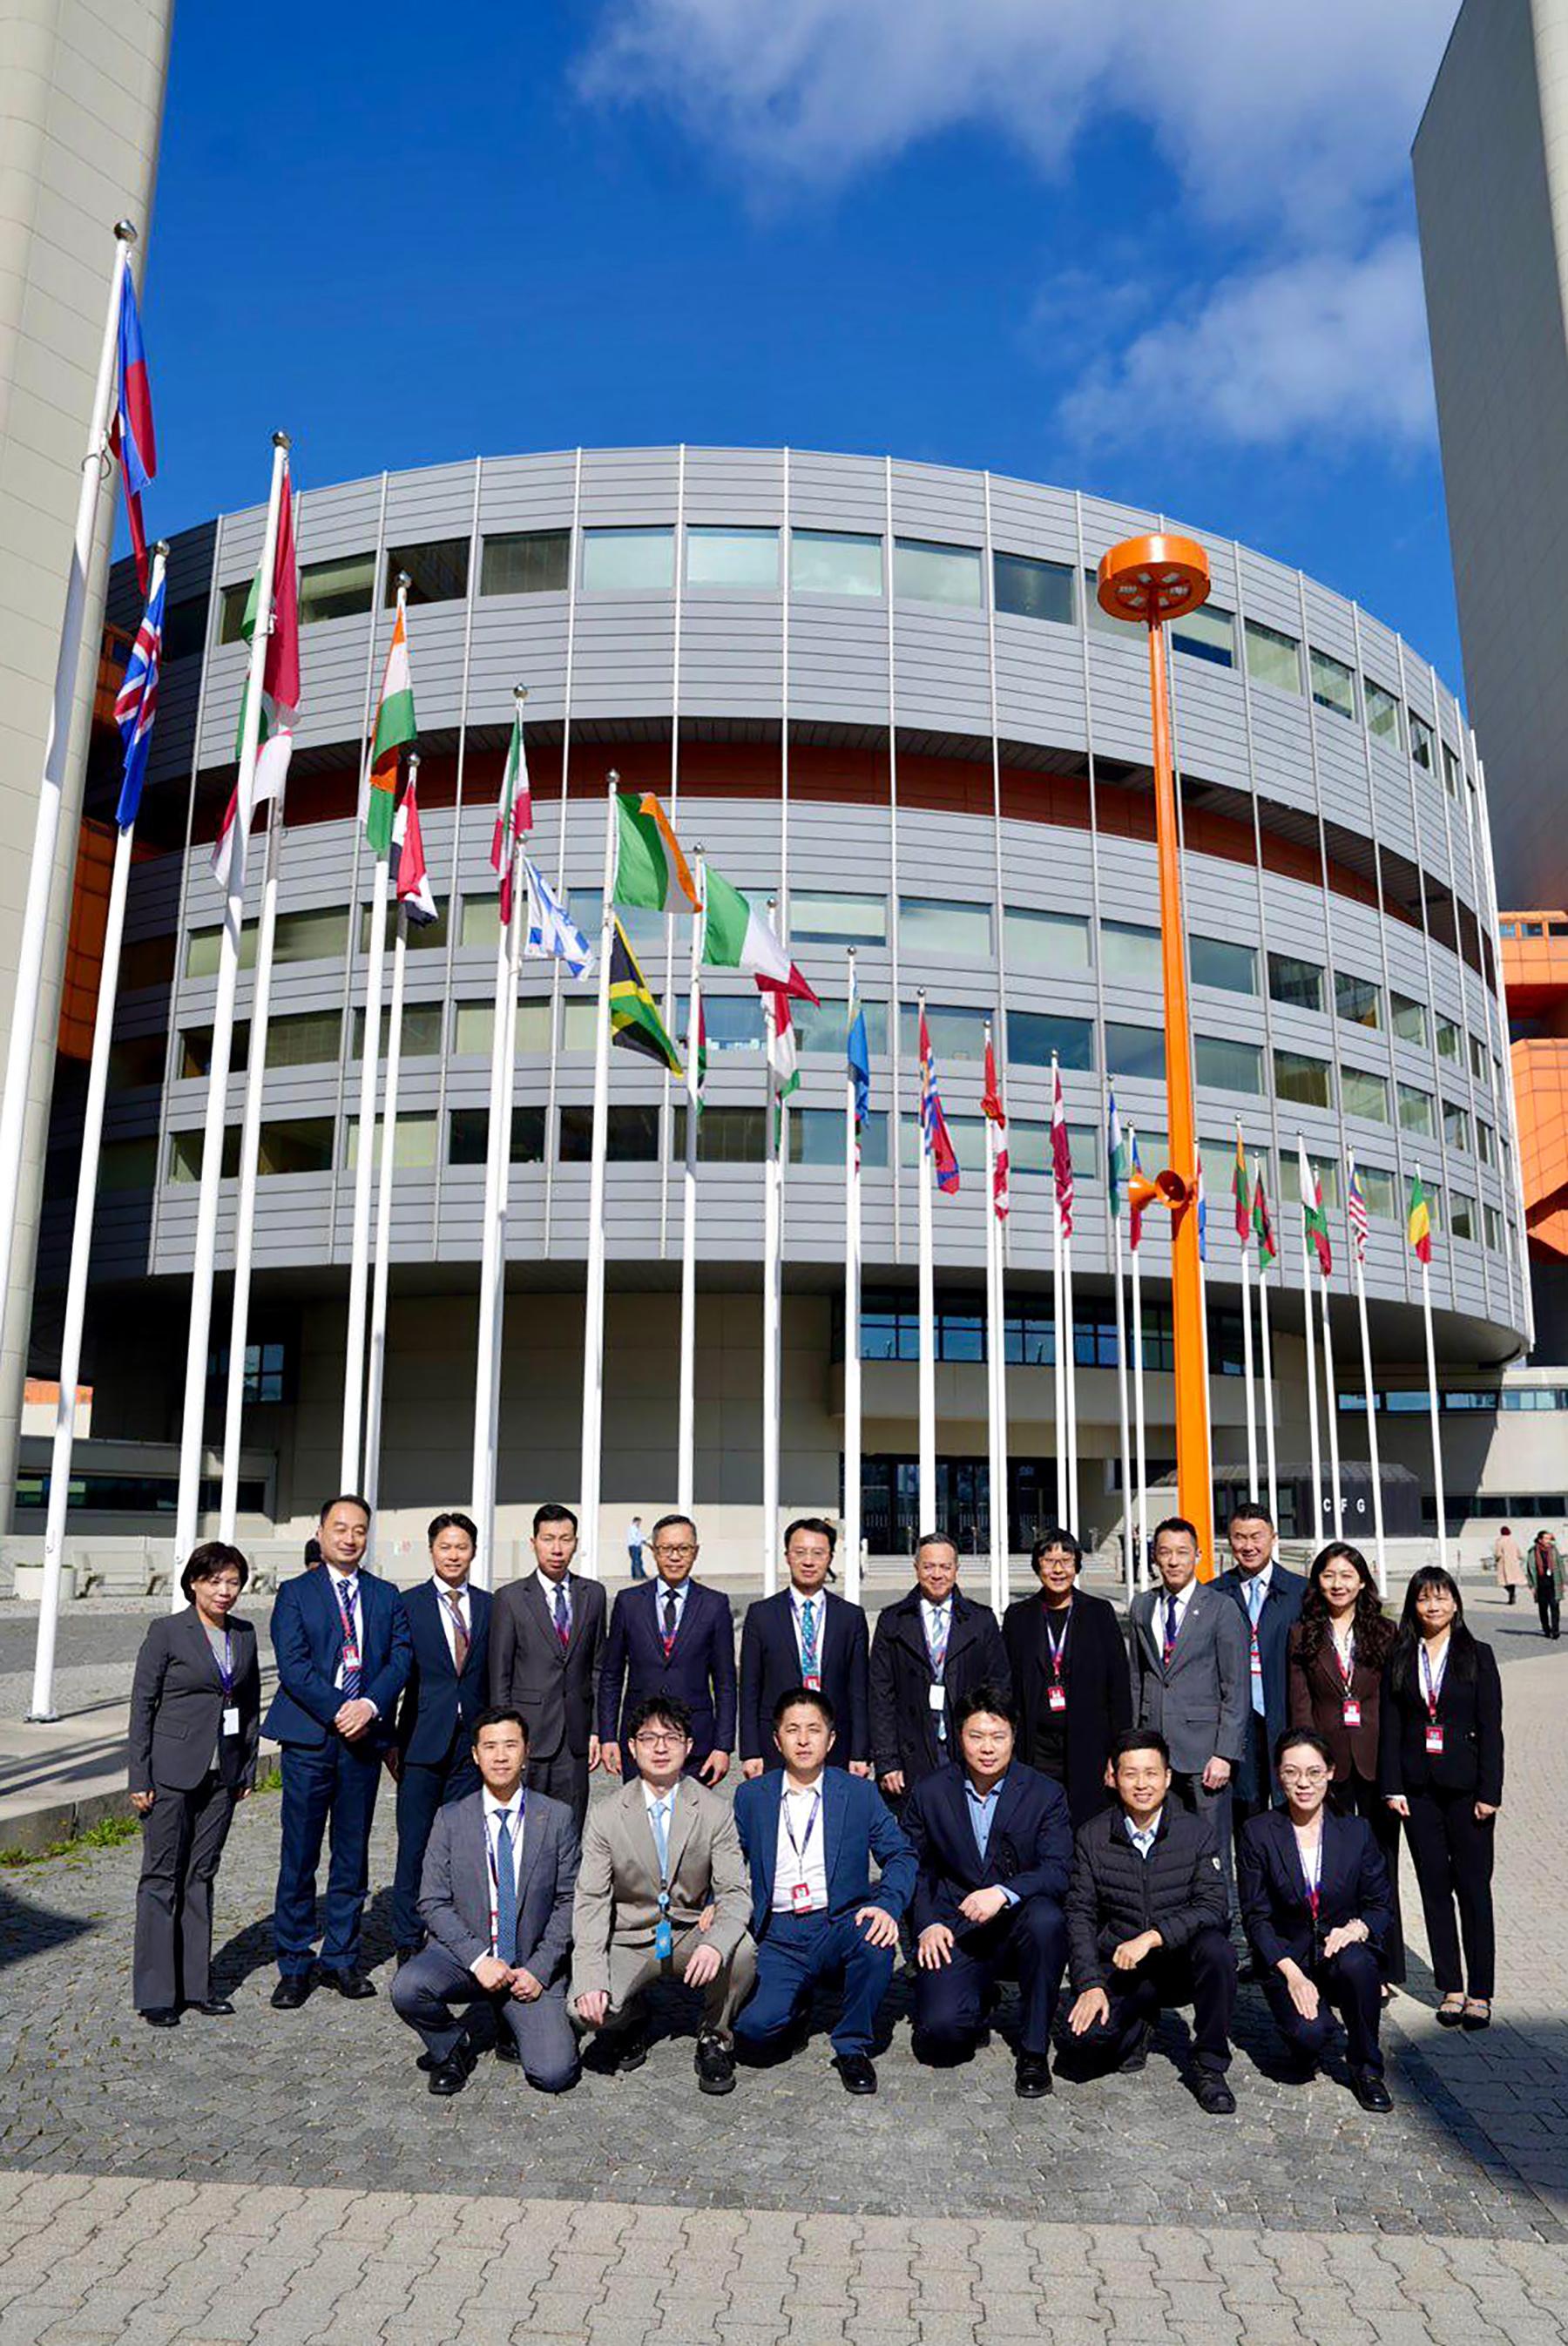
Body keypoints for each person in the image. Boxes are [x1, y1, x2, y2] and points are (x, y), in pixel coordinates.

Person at [264, 1494, 412, 2007]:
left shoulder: (385, 1595)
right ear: (321, 1532)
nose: (350, 1538)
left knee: (352, 1854)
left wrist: (368, 1705)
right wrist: (340, 1709)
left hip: (362, 1742)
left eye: (359, 1530)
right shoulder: (295, 1593)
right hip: (310, 1738)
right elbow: (294, 1666)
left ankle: (342, 1958)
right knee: (299, 1854)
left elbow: (400, 1658)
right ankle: (294, 1962)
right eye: (341, 1528)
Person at [733, 1689, 915, 2094]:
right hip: (780, 1934)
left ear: (831, 1740)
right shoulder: (752, 1797)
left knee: (876, 1941)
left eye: (813, 1730)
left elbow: (901, 1854)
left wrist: (887, 1904)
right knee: (754, 2033)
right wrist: (714, 1904)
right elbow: (728, 1862)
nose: (803, 1740)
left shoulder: (858, 1793)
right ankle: (796, 2005)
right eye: (792, 1730)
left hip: (839, 1923)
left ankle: (852, 2044)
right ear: (776, 1739)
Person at [389, 1707, 579, 2098]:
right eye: (490, 1747)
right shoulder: (450, 1819)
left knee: (554, 2073)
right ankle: (450, 2047)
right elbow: (432, 1900)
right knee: (408, 1987)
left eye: (511, 1745)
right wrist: (479, 1959)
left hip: (528, 1965)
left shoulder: (557, 1818)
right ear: (475, 1755)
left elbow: (569, 1901)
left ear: (526, 1752)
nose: (501, 1756)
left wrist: (540, 1969)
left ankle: (511, 2017)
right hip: (466, 1959)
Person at [571, 1695, 756, 2092]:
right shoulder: (605, 1815)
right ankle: (633, 2016)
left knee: (740, 1951)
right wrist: (589, 1978)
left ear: (688, 1746)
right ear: (632, 1746)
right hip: (630, 1937)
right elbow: (590, 1902)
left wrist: (715, 1943)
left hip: (690, 1931)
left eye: (671, 1738)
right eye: (648, 1738)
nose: (660, 1747)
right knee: (583, 2010)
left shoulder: (714, 1810)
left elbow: (736, 1892)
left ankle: (715, 2035)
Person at [902, 1685, 1071, 2098]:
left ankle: (1033, 2049)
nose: (988, 1748)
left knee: (1048, 1920)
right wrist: (926, 1924)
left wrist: (1004, 1892)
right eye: (976, 1736)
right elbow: (911, 1866)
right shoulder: (930, 1792)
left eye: (998, 1736)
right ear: (959, 1737)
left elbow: (1058, 1870)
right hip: (957, 1928)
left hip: (1019, 1926)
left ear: (1014, 1735)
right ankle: (978, 2003)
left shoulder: (1045, 1793)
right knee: (940, 2035)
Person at [1063, 1729, 1238, 2114]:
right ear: (1113, 1777)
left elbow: (1214, 1905)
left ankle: (1209, 2064)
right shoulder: (1092, 1836)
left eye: (1151, 1773)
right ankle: (1139, 2024)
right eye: (1131, 1774)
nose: (1142, 1784)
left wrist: (1154, 1937)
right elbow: (1079, 1914)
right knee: (1081, 2050)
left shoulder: (1196, 1832)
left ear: (1168, 1777)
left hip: (1179, 1963)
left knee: (1219, 1951)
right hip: (1124, 1968)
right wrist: (1089, 1984)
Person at [128, 1542, 261, 2026]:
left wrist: (245, 1768)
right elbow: (142, 1705)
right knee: (162, 1876)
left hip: (222, 1774)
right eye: (214, 1581)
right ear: (193, 1583)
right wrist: (139, 1775)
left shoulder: (243, 1634)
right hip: (170, 1771)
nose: (224, 1591)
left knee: (201, 1875)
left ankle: (196, 1986)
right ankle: (157, 1993)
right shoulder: (167, 1631)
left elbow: (249, 1703)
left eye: (233, 1582)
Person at [1238, 1729, 1395, 2112]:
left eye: (1313, 1772)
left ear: (1330, 1772)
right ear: (1279, 1775)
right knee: (1310, 2035)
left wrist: (1357, 1929)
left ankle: (1367, 2069)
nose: (1303, 1783)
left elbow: (1380, 1905)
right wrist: (1293, 1976)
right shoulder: (1258, 1833)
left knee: (1359, 1964)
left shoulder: (1356, 1831)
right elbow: (1256, 1917)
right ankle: (1303, 2037)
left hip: (1338, 1950)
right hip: (1287, 1957)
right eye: (1292, 1773)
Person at [1381, 1568, 1504, 2030]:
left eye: (1440, 1597)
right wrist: (1393, 1786)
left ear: (1455, 1602)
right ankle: (1451, 1987)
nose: (1432, 1607)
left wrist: (1490, 1792)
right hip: (1418, 1792)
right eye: (1423, 1599)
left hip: (1468, 1792)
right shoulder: (1401, 1655)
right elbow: (1392, 1726)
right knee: (1434, 1889)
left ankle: (1481, 1992)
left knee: (1473, 1889)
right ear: (1413, 1606)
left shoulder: (1478, 1655)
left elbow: (1491, 1729)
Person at [1287, 1542, 1403, 1989]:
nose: (1338, 1584)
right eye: (1329, 1575)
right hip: (1327, 1765)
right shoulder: (1303, 1633)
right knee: (1333, 1865)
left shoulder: (1385, 1631)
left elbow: (1395, 1703)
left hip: (1376, 1761)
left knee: (1382, 1865)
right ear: (1318, 1581)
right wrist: (1310, 1763)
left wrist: (1396, 1768)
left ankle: (1382, 1964)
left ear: (1362, 1581)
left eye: (1346, 1575)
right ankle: (1334, 1960)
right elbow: (1300, 1703)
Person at [389, 1511, 493, 1964]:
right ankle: (407, 1935)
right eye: (445, 1547)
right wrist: (388, 1741)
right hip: (420, 1740)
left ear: (474, 1551)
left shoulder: (489, 1606)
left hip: (472, 1745)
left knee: (465, 1845)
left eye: (461, 1547)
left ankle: (458, 1933)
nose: (453, 1555)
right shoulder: (407, 1604)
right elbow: (392, 1673)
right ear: (431, 1550)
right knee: (414, 1843)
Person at [1128, 1518, 1249, 1871]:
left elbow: (1235, 1687)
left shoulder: (1221, 1608)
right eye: (1165, 1552)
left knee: (1211, 1849)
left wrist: (1225, 1753)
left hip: (1204, 1753)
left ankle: (1219, 1906)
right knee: (1163, 1846)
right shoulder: (1142, 1606)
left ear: (1198, 1555)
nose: (1173, 1561)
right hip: (1155, 1747)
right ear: (1154, 1556)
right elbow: (1137, 1679)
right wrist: (1133, 1743)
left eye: (1182, 1552)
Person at [1001, 1527, 1130, 1829]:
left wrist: (1118, 1753)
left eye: (1066, 1560)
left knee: (1087, 1825)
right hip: (1036, 1746)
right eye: (1049, 1561)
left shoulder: (1099, 1613)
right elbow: (1006, 1687)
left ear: (1077, 1565)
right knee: (1039, 1823)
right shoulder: (1018, 1617)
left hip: (1090, 1744)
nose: (1058, 1569)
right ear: (1037, 1566)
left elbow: (1119, 1689)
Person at [490, 1503, 607, 1828]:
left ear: (575, 1543)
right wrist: (505, 1737)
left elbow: (598, 1668)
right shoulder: (510, 1598)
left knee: (570, 1827)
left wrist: (597, 1729)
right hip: (527, 1734)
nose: (557, 1549)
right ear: (533, 1543)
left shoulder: (593, 1594)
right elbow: (500, 1674)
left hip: (576, 1737)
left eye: (565, 1539)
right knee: (523, 1827)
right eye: (548, 1539)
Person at [869, 1532, 1010, 1802]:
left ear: (956, 1569)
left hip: (967, 1745)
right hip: (911, 1749)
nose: (937, 1575)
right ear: (916, 1568)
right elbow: (880, 1695)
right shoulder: (892, 1621)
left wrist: (993, 1748)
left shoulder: (981, 1620)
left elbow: (999, 1687)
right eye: (928, 1566)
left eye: (945, 1567)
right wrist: (887, 1760)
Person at [598, 1514, 736, 1782]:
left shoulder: (714, 1605)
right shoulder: (629, 1603)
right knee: (639, 1809)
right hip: (640, 1738)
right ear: (653, 1551)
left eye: (683, 1548)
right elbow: (611, 1676)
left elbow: (725, 1682)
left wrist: (723, 1746)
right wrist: (608, 1736)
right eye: (666, 1548)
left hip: (696, 1742)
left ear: (695, 1552)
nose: (675, 1556)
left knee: (692, 1809)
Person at [739, 1517, 871, 1778]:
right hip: (777, 1741)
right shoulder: (761, 1615)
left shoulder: (850, 1617)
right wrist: (750, 1751)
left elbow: (858, 1690)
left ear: (830, 1558)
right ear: (787, 1556)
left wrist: (860, 1752)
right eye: (800, 1552)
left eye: (818, 1553)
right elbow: (749, 1688)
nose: (808, 1561)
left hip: (835, 1741)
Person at [1215, 1504, 1306, 1833]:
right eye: (1240, 1537)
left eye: (1257, 1536)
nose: (1248, 1545)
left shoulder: (1300, 1592)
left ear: (1273, 1538)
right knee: (1246, 1814)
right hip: (1239, 1723)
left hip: (1285, 1716)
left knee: (1291, 1810)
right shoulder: (1215, 1594)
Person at [1527, 1528, 1563, 1641]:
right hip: (1540, 1584)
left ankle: (1555, 1630)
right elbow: (1529, 1569)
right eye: (1546, 1538)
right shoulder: (1533, 1552)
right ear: (1540, 1540)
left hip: (1554, 1583)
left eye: (1549, 1539)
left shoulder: (1554, 1550)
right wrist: (1531, 1585)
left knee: (1555, 1607)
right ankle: (1546, 1629)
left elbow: (1560, 1565)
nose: (1548, 1541)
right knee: (1543, 1608)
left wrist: (1564, 1582)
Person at [1492, 1525, 1524, 1607]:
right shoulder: (1513, 1541)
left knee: (1504, 1581)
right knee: (1512, 1580)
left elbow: (1498, 1554)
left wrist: (1496, 1559)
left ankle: (1511, 1594)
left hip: (1504, 1563)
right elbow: (1518, 1552)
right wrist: (1520, 1557)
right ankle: (1512, 1595)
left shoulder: (1499, 1541)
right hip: (1513, 1562)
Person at [627, 1515, 647, 1579]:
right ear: (636, 1521)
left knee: (637, 1561)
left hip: (636, 1546)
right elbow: (635, 1538)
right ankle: (638, 1576)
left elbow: (640, 1537)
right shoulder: (633, 1529)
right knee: (636, 1562)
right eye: (639, 1522)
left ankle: (639, 1575)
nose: (639, 1524)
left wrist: (644, 1540)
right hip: (634, 1547)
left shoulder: (636, 1529)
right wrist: (642, 1540)